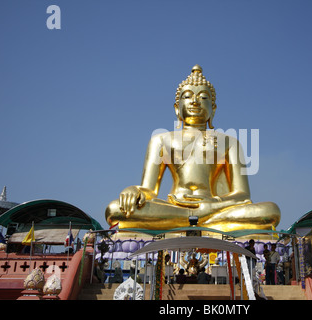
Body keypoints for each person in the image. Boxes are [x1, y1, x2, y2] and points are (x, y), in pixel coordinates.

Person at [105, 65, 281, 232]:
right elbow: (149, 190)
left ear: (213, 109)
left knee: (270, 211)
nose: (195, 102)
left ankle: (193, 221)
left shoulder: (230, 142)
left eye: (203, 97)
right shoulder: (161, 140)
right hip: (175, 206)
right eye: (187, 96)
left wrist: (212, 205)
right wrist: (134, 190)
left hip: (214, 205)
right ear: (176, 108)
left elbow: (242, 194)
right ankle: (203, 222)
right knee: (115, 209)